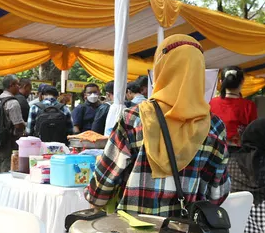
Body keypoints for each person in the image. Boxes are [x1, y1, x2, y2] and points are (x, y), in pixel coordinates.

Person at [87, 35, 229, 216]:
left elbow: (102, 185)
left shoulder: (134, 118)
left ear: (161, 67)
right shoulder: (214, 127)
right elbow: (218, 193)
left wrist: (95, 198)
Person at [209, 66, 257, 148]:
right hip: (237, 153)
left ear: (221, 82)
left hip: (213, 149)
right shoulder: (249, 105)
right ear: (242, 81)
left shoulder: (212, 102)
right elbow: (253, 133)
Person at [0, 75, 26, 173]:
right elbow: (17, 124)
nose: (19, 87)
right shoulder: (13, 102)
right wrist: (25, 125)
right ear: (11, 85)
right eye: (17, 84)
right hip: (7, 140)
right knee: (6, 167)